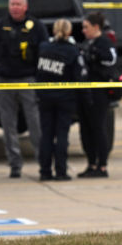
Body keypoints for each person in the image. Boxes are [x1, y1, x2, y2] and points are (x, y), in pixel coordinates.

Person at [0, 0, 48, 179]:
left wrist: (37, 72)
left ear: (26, 7)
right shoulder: (0, 26)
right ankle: (14, 164)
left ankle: (43, 161)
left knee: (35, 123)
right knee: (8, 124)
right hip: (4, 81)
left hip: (28, 80)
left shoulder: (36, 27)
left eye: (19, 4)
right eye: (12, 4)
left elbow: (44, 50)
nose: (15, 7)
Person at [35, 19, 83, 181]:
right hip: (65, 98)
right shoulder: (72, 51)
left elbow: (38, 72)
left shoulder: (43, 48)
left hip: (44, 97)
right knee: (62, 135)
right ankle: (61, 171)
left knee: (46, 135)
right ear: (69, 32)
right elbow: (78, 76)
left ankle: (44, 171)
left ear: (54, 31)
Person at [77, 12, 117, 178]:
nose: (83, 30)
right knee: (85, 130)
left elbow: (111, 60)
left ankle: (102, 166)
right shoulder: (87, 43)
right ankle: (91, 163)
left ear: (96, 27)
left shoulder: (105, 42)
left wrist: (95, 56)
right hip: (85, 92)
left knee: (98, 128)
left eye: (86, 27)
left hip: (99, 93)